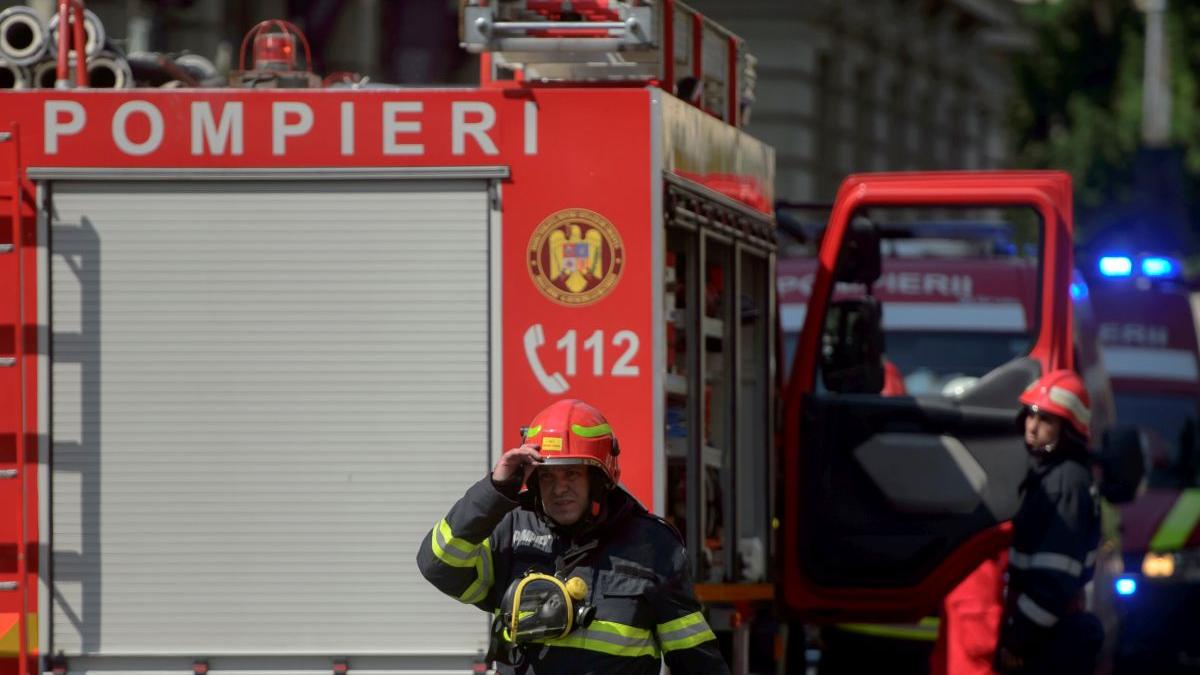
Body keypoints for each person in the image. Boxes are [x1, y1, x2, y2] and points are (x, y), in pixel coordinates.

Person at [417, 398, 729, 674]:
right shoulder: (511, 529)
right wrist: (495, 490)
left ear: (598, 479)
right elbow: (438, 565)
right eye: (547, 475)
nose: (559, 488)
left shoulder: (653, 546)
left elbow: (696, 658)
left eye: (572, 473)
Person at [995, 370, 1104, 674]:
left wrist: (1019, 640)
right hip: (1044, 633)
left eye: (1046, 420)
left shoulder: (1064, 482)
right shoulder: (1055, 474)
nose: (1032, 427)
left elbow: (1053, 581)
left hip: (1047, 641)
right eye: (1031, 415)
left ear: (1068, 428)